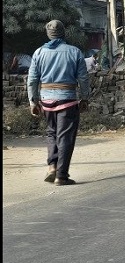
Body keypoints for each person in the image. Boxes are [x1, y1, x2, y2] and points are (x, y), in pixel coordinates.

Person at [27, 20, 91, 186]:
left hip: (46, 100)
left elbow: (32, 80)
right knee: (65, 137)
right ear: (64, 33)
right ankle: (61, 176)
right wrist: (85, 98)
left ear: (48, 34)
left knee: (51, 133)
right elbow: (83, 78)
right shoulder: (74, 52)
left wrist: (33, 101)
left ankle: (52, 166)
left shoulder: (39, 52)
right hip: (67, 99)